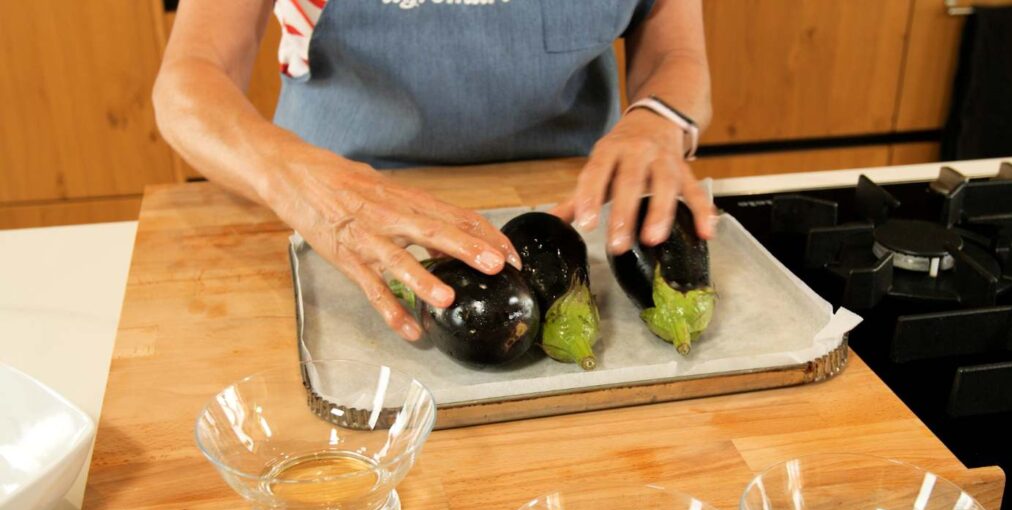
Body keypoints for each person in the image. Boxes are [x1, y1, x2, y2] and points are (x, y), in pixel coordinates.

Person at [153, 0, 714, 341]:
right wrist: (292, 178)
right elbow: (188, 84)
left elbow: (675, 50)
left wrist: (658, 121)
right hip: (329, 215)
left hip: (569, 208)